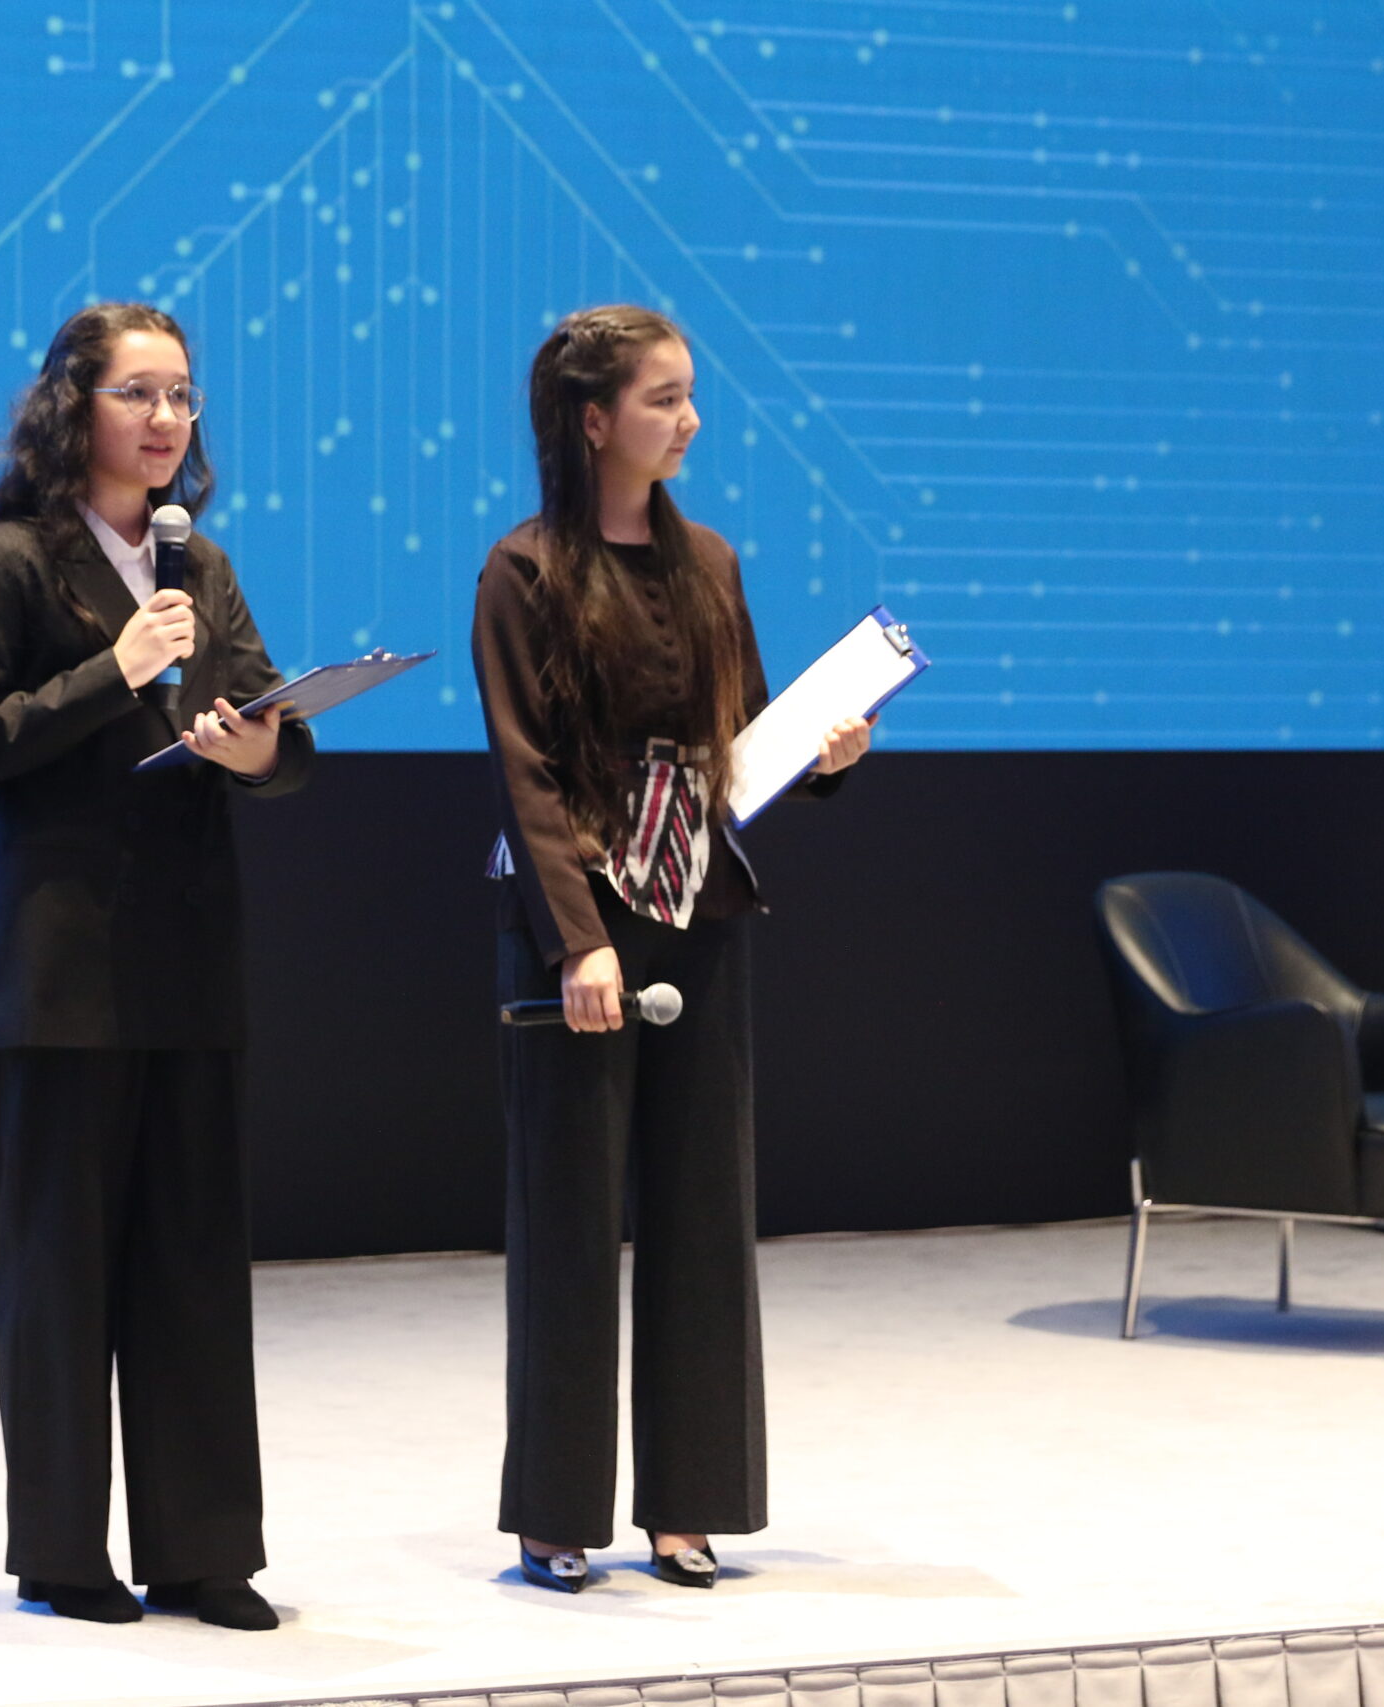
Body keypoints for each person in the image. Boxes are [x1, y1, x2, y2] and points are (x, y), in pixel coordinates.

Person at [471, 305, 872, 1594]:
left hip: (698, 906)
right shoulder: (524, 570)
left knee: (703, 1211)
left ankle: (687, 1506)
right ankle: (556, 1514)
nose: (689, 419)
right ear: (594, 421)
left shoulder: (709, 561)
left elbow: (736, 737)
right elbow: (528, 777)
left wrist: (822, 754)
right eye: (663, 399)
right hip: (579, 919)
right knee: (571, 1219)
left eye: (690, 395)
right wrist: (577, 943)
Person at [0, 302, 311, 1631]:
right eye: (139, 392)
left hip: (190, 959)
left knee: (194, 1264)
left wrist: (261, 748)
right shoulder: (12, 558)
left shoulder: (200, 563)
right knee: (63, 1271)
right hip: (63, 971)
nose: (166, 419)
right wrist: (115, 667)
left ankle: (205, 1552)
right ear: (71, 406)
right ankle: (60, 1552)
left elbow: (269, 725)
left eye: (183, 396)